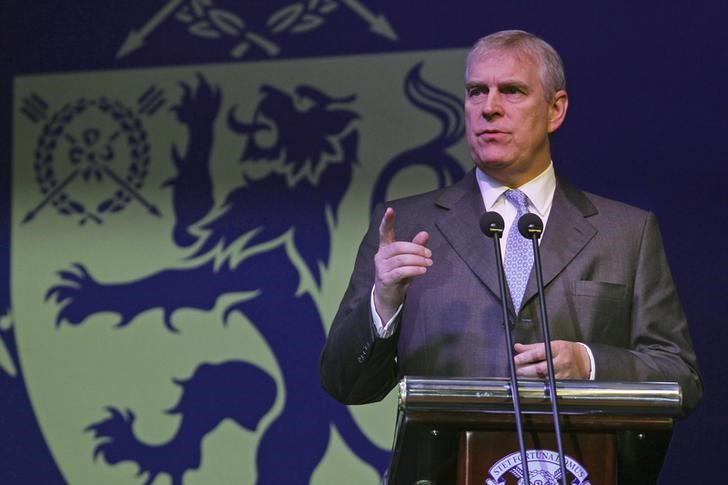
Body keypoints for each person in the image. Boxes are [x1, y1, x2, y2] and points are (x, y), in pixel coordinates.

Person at [319, 30, 702, 415]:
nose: (489, 107)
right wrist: (384, 302)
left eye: (512, 91)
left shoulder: (627, 233)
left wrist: (589, 365)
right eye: (476, 92)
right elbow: (345, 384)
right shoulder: (405, 226)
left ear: (556, 110)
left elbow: (681, 379)